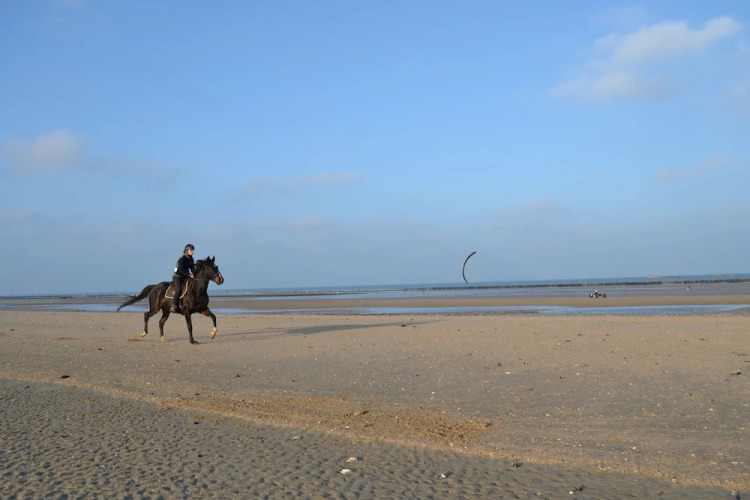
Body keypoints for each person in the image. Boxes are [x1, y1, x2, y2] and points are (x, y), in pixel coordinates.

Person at [171, 244, 195, 313]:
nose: (192, 251)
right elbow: (180, 270)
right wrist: (189, 275)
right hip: (177, 276)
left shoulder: (191, 259)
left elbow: (192, 268)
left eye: (193, 250)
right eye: (191, 250)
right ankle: (174, 305)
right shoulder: (182, 258)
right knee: (179, 289)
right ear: (187, 251)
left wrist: (196, 274)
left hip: (185, 276)